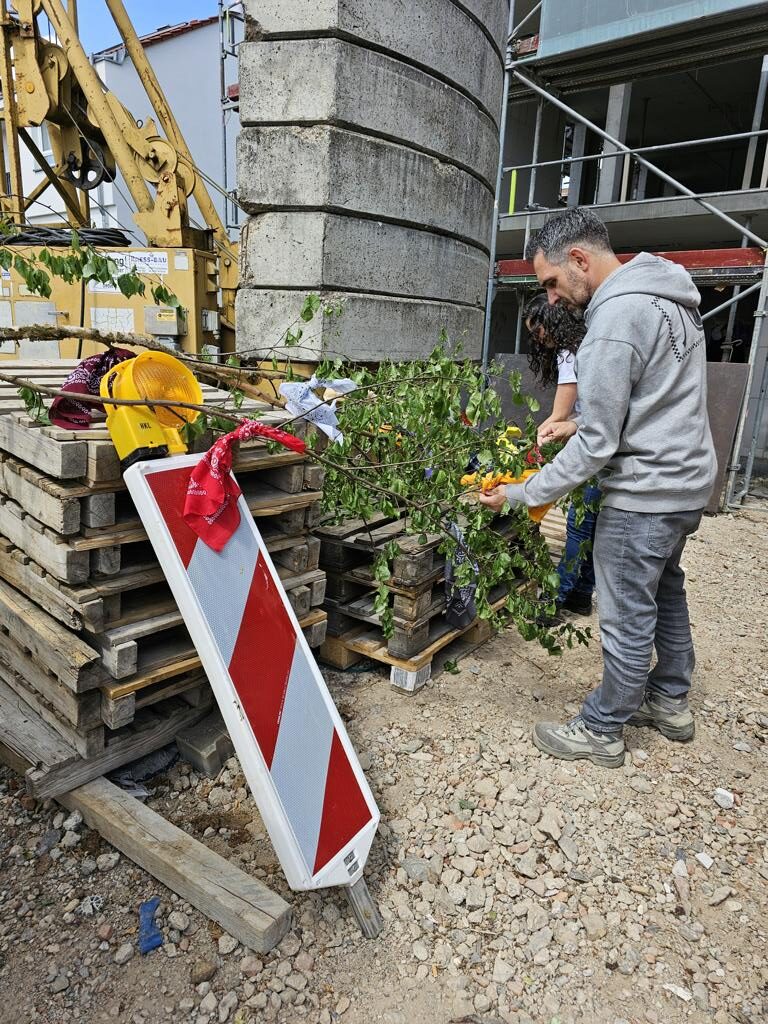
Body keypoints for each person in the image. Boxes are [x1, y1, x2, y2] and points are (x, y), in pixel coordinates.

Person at [480, 207, 717, 768]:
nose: (552, 297)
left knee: (625, 610)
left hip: (645, 493)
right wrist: (578, 422)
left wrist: (522, 493)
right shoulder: (668, 297)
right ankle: (670, 700)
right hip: (684, 483)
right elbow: (651, 398)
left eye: (551, 282)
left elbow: (597, 448)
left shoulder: (614, 319)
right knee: (665, 591)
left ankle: (603, 726)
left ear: (579, 260)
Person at [523, 294, 599, 618]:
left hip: (594, 447)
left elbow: (561, 412)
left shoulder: (569, 351)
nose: (537, 338)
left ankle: (554, 600)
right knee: (593, 527)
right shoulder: (590, 344)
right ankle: (581, 595)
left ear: (552, 323)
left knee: (579, 527)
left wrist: (539, 439)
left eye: (537, 330)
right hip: (606, 442)